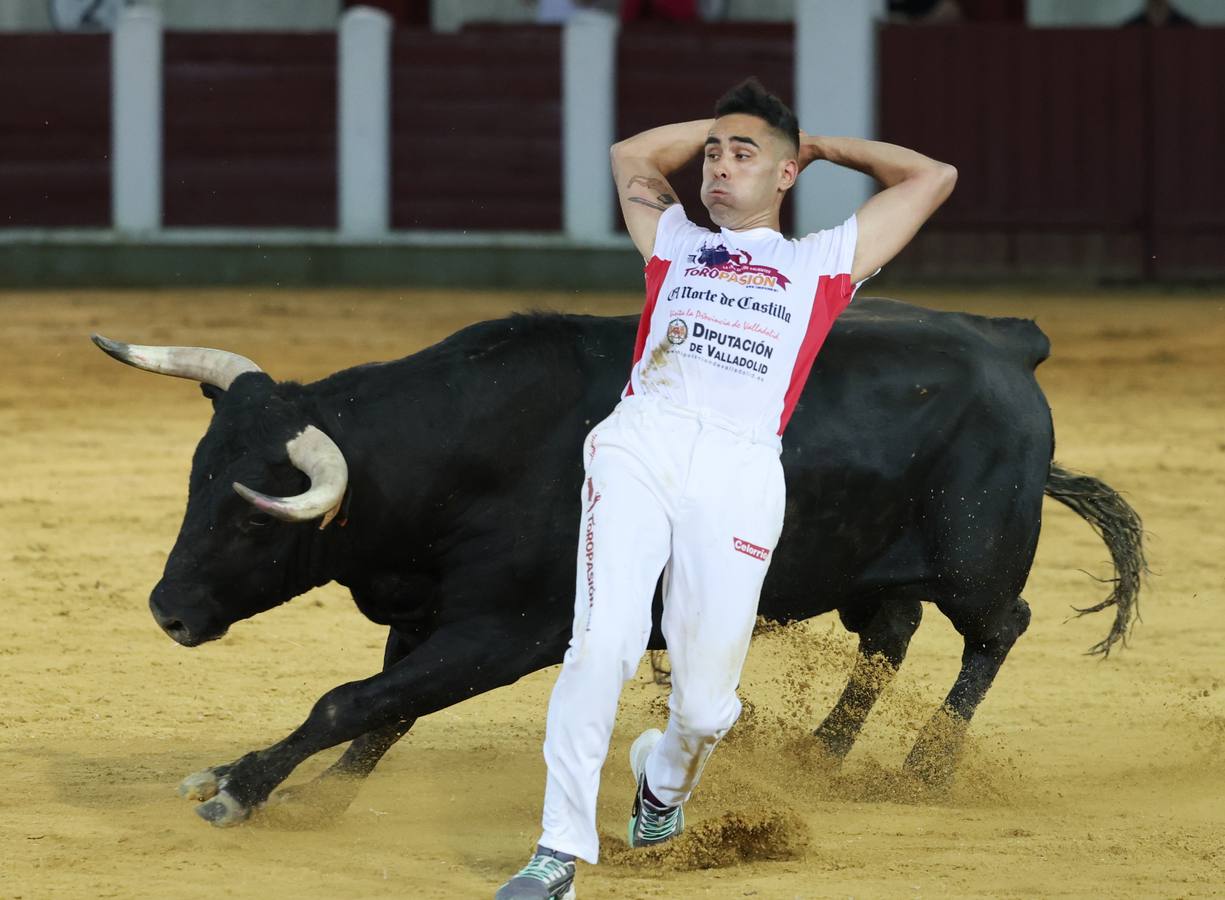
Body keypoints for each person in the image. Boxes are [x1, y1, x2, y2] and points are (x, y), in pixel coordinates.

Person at [495, 78, 956, 900]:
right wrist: (730, 128)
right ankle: (555, 853)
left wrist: (812, 144)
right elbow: (631, 155)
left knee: (706, 709)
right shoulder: (672, 238)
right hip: (641, 443)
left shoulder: (821, 261)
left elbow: (931, 176)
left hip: (741, 471)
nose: (717, 165)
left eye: (742, 155)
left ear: (785, 176)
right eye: (711, 152)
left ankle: (660, 783)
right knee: (601, 646)